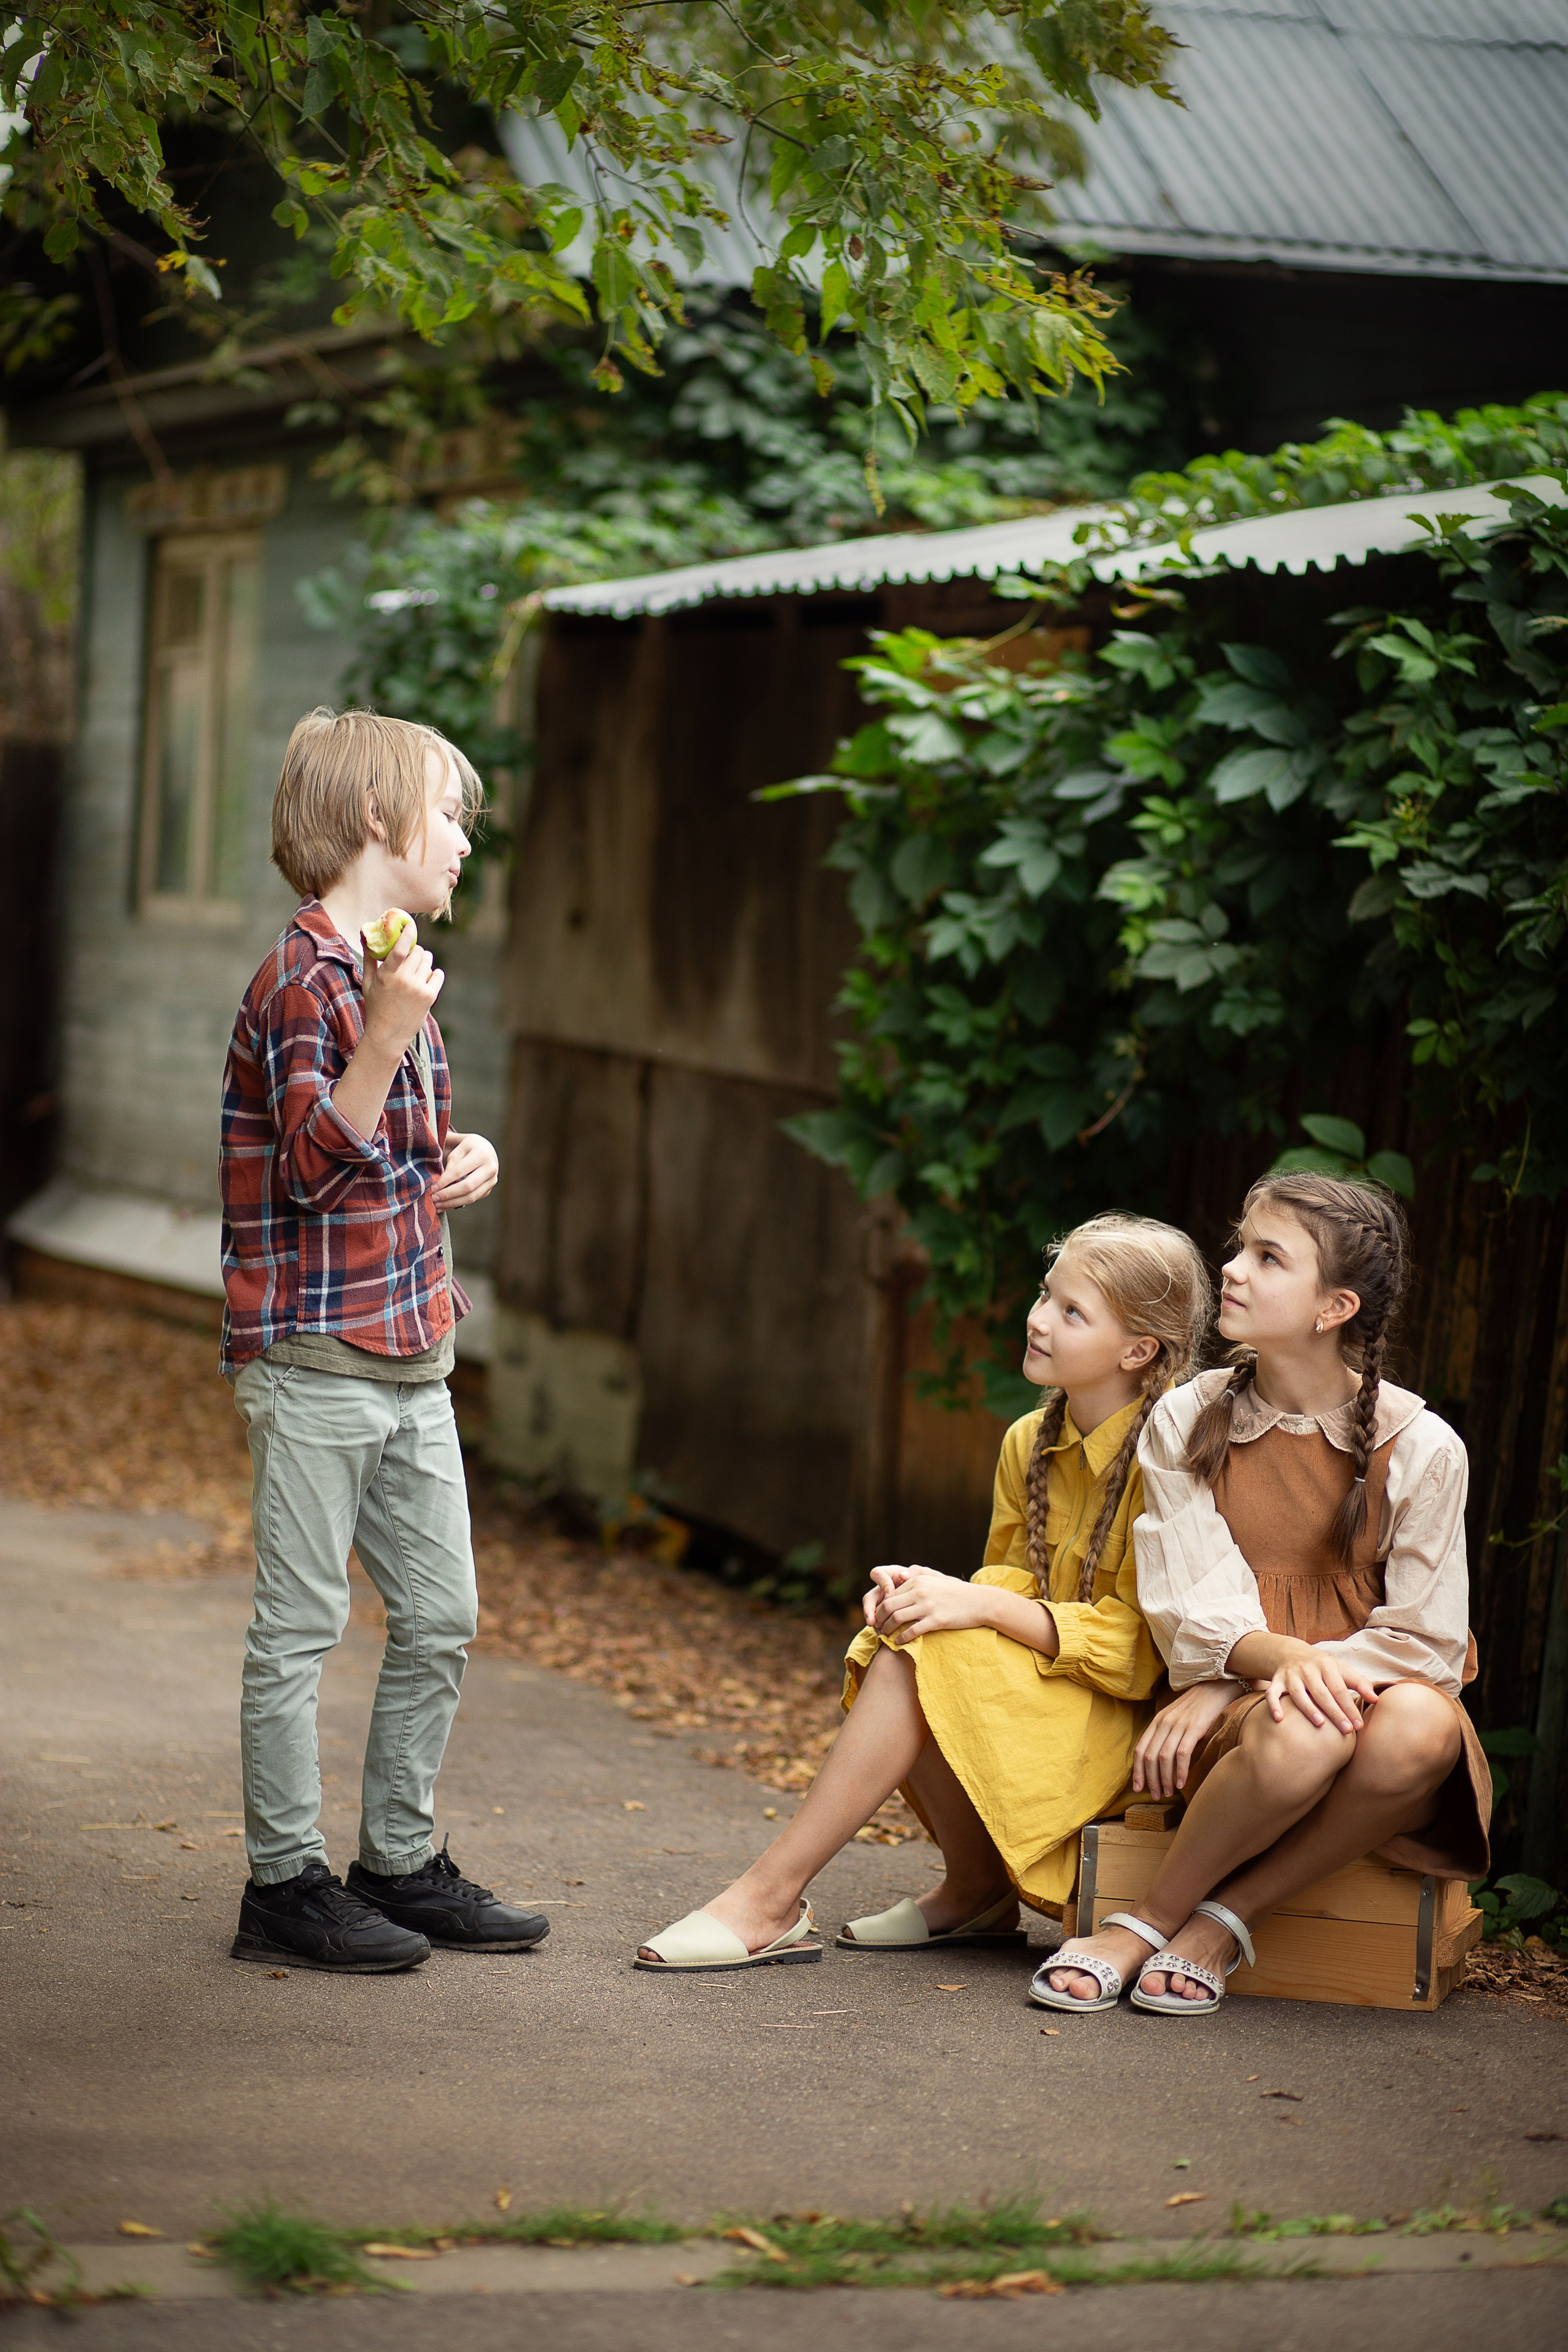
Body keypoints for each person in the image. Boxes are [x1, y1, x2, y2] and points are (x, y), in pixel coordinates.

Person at [633, 1213, 1212, 1972]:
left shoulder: (1169, 1458)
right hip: (1052, 1692)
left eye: (1072, 1312)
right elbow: (1008, 1582)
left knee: (924, 1656)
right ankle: (973, 1889)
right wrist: (927, 1596)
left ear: (1139, 1351)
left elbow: (1139, 1654)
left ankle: (769, 1897)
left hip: (1129, 1731)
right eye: (1045, 1295)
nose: (1038, 1320)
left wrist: (975, 1607)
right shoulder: (1027, 1442)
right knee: (900, 1636)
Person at [222, 707, 548, 1973]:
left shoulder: (392, 965)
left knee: (442, 1614)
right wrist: (388, 1034)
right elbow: (308, 1169)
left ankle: (398, 1861)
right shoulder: (312, 977)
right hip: (311, 1360)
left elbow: (385, 1152)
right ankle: (284, 1887)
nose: (465, 839)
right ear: (374, 821)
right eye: (449, 814)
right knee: (299, 1627)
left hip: (411, 1353)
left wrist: (466, 1153)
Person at [1033, 1171, 1488, 2016]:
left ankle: (1215, 1919)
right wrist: (1249, 1670)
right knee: (1304, 1733)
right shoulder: (1188, 1417)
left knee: (1422, 1725)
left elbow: (1426, 1641)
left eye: (1268, 1257)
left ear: (1334, 1309)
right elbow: (1188, 1591)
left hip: (1377, 1699)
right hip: (1253, 1721)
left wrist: (1286, 1667)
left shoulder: (1423, 1447)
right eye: (1242, 1244)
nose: (1233, 1269)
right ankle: (1148, 1921)